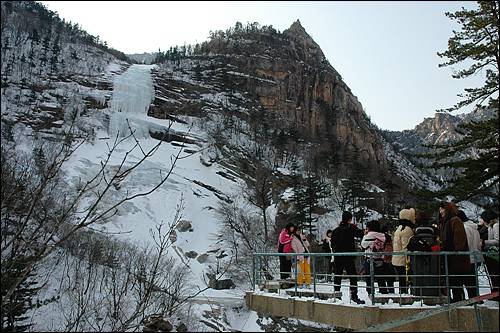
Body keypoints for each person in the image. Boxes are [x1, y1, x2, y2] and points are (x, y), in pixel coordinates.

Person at [331, 211, 365, 304]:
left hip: (338, 257)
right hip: (349, 257)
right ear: (349, 219)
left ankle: (337, 295)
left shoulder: (336, 230)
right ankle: (354, 296)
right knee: (353, 277)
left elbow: (332, 243)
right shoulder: (351, 229)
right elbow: (361, 234)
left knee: (338, 276)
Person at [439, 201, 470, 303]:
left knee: (457, 280)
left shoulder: (455, 220)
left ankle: (459, 299)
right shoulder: (444, 222)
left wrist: (456, 252)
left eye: (442, 208)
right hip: (449, 257)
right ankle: (455, 298)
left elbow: (459, 240)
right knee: (452, 280)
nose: (440, 211)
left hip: (456, 258)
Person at [361, 220, 391, 296]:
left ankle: (370, 292)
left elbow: (363, 245)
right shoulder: (382, 235)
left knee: (369, 277)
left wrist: (365, 235)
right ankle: (383, 291)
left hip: (369, 258)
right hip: (380, 258)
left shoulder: (369, 235)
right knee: (380, 277)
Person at [458, 210, 483, 299]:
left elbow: (466, 243)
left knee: (468, 280)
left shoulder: (465, 228)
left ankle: (474, 300)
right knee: (472, 280)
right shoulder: (473, 227)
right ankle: (476, 299)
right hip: (476, 256)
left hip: (469, 257)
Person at [392, 208, 416, 294]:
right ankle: (404, 296)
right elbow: (406, 247)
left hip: (396, 258)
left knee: (401, 280)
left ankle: (402, 294)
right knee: (405, 280)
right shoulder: (407, 230)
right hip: (403, 260)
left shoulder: (399, 228)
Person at [480, 210, 499, 301]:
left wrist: (484, 242)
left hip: (495, 254)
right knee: (493, 275)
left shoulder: (496, 226)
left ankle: (496, 293)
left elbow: (497, 240)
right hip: (492, 254)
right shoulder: (490, 226)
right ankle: (494, 293)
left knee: (495, 274)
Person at [381, 224, 395, 294]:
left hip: (385, 260)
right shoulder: (389, 237)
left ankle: (384, 291)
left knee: (384, 277)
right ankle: (390, 291)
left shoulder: (382, 237)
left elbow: (387, 250)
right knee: (390, 279)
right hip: (389, 261)